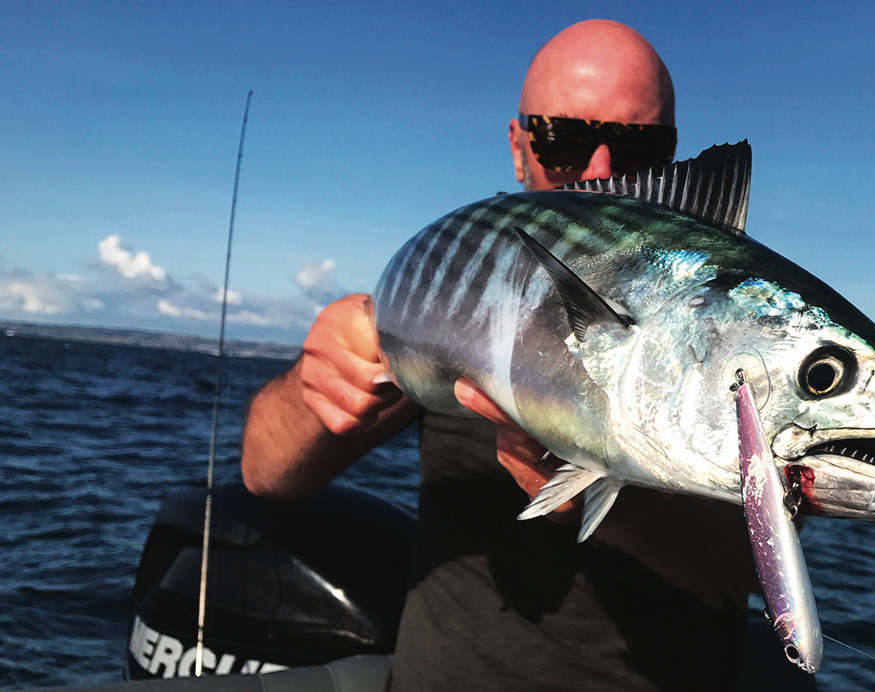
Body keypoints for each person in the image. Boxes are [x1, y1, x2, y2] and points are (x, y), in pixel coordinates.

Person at [242, 19, 815, 691]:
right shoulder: (457, 282)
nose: (602, 172)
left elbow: (749, 567)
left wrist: (607, 480)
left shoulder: (742, 317)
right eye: (564, 141)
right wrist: (322, 390)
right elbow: (267, 475)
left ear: (674, 156)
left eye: (641, 147)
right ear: (519, 149)